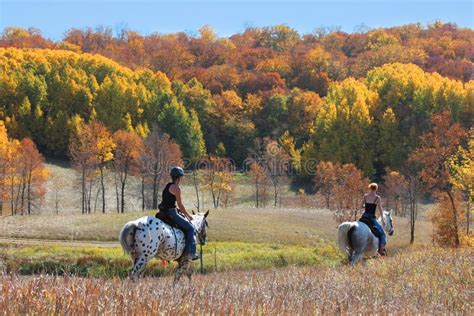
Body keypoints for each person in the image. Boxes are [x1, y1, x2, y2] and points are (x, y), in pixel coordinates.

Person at [158, 166, 199, 260]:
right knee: (190, 228)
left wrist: (176, 208)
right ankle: (191, 253)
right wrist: (188, 216)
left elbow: (168, 201)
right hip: (171, 213)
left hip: (162, 211)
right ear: (179, 178)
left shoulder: (168, 185)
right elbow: (180, 204)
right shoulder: (176, 188)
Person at [360, 183, 387, 256]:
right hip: (371, 218)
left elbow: (361, 206)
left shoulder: (365, 196)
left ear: (369, 188)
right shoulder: (377, 198)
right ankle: (381, 251)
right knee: (382, 234)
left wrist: (366, 206)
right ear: (376, 189)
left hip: (364, 217)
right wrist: (383, 220)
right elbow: (380, 209)